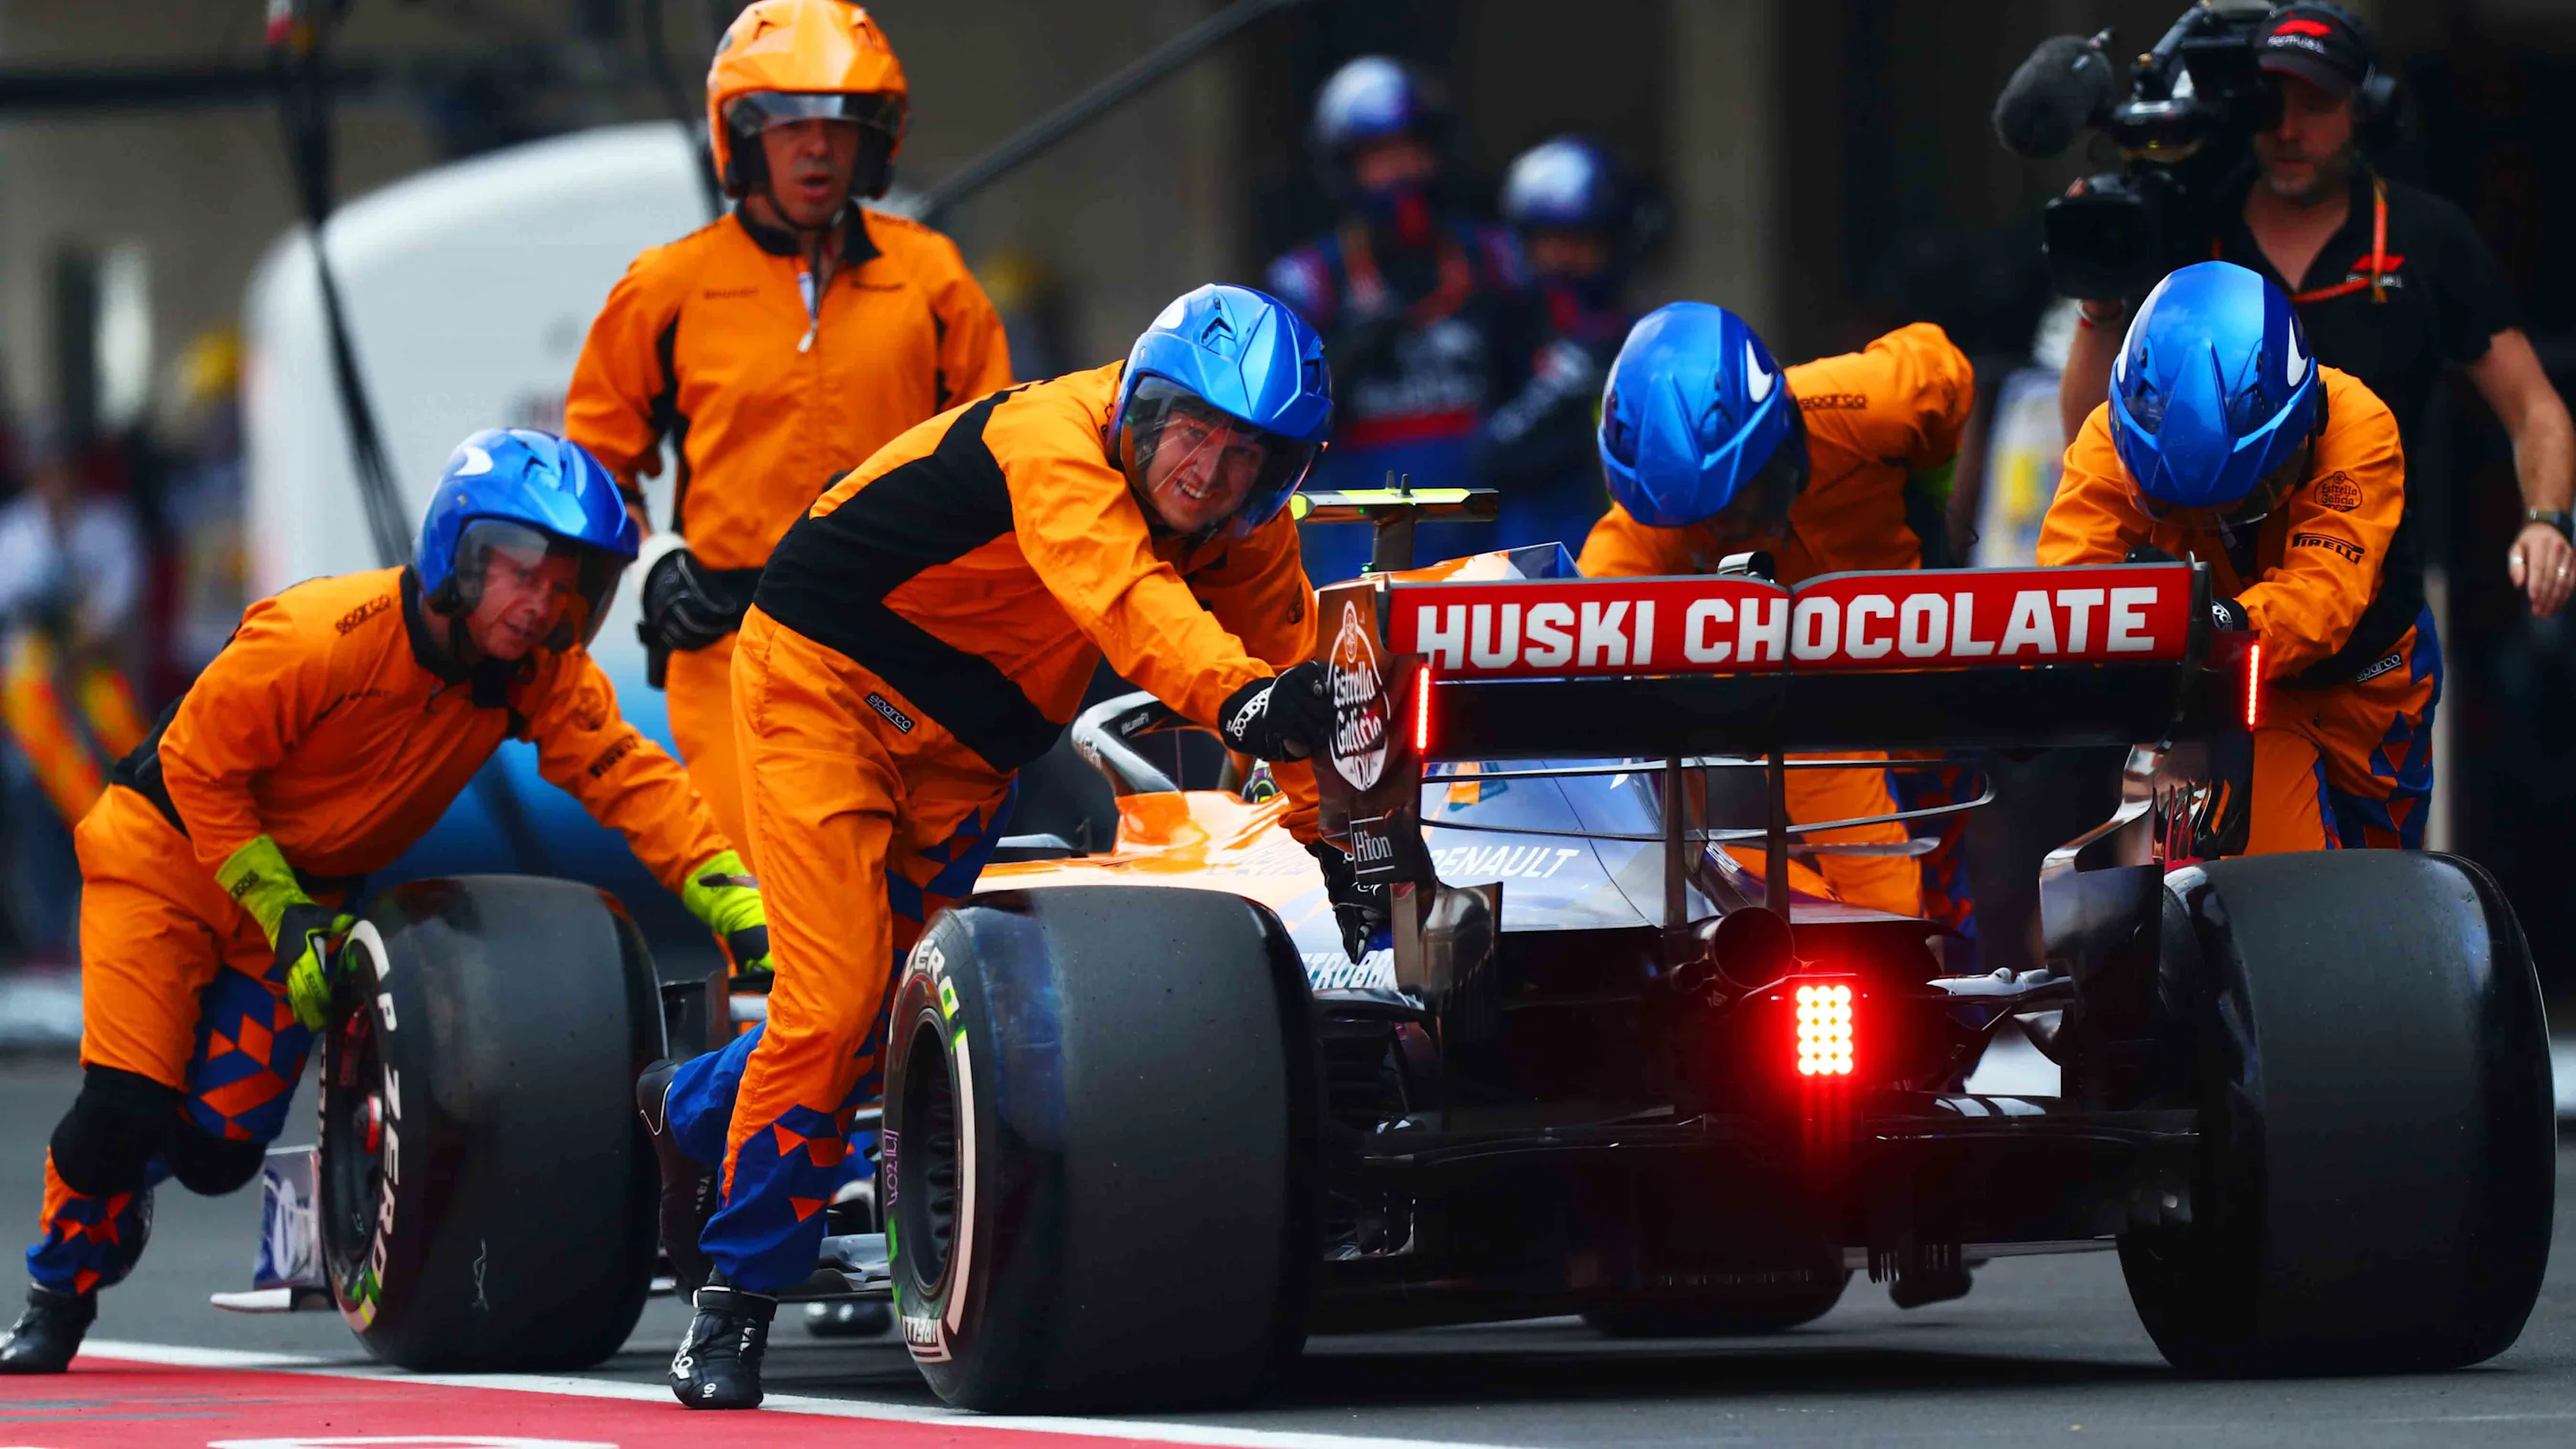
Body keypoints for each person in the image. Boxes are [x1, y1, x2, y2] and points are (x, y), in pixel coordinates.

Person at [641, 284, 1353, 1410]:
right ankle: (735, 1301)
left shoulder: (1248, 538)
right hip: (824, 691)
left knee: (889, 1014)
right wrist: (1237, 700)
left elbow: (1293, 685)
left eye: (1244, 457)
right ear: (1141, 406)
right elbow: (1127, 599)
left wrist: (1334, 846)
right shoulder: (1050, 439)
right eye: (1192, 433)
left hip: (967, 757)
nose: (1207, 475)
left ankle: (690, 1107)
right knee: (833, 1004)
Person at [0, 430, 769, 1375]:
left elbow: (630, 780)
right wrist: (281, 912)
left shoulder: (536, 676)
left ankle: (131, 1169)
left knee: (217, 1153)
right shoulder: (318, 636)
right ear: (458, 553)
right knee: (121, 1108)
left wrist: (731, 897)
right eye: (520, 574)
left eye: (565, 584)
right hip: (164, 860)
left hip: (305, 905)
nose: (540, 603)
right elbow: (195, 768)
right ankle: (58, 1294)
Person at [567, 0, 1011, 865]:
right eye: (789, 124)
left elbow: (1007, 452)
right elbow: (593, 464)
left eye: (840, 125)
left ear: (873, 140)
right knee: (775, 894)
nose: (817, 148)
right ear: (742, 136)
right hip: (730, 648)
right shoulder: (668, 288)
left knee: (910, 899)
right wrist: (653, 566)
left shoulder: (931, 278)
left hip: (906, 648)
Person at [2054, 2, 2574, 620]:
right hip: (2201, 606)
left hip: (2373, 600)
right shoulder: (2189, 228)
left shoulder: (2428, 236)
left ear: (2364, 109)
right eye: (2270, 104)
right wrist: (2100, 297)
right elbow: (2095, 434)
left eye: (2317, 105)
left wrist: (2548, 521)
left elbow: (2534, 408)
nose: (2288, 129)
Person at [1579, 303, 1975, 918]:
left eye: (1733, 502)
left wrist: (1933, 508)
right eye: (1694, 520)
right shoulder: (1638, 538)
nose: (1717, 531)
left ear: (1777, 445)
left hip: (1924, 669)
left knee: (1955, 903)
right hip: (1803, 711)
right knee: (1890, 921)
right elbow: (1573, 644)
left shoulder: (1874, 405)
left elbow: (1951, 374)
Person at [2043, 261, 2432, 853]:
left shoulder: (2356, 422)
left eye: (2242, 497)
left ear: (2301, 426)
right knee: (2259, 885)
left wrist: (2203, 619)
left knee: (2385, 883)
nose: (2212, 519)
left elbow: (2322, 600)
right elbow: (2067, 598)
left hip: (2362, 685)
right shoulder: (2109, 437)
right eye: (2174, 503)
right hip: (2220, 694)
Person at [1266, 55, 1524, 582]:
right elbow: (1278, 439)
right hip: (1355, 543)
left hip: (1490, 540)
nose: (1402, 170)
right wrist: (1343, 360)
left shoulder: (1496, 260)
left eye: (1412, 150)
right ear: (1344, 168)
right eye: (1380, 156)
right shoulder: (1308, 280)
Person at [1473, 134, 1647, 554]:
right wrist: (1556, 391)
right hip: (1523, 549)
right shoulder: (1499, 326)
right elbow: (1481, 454)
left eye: (1583, 242)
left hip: (1623, 545)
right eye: (1551, 242)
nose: (1566, 258)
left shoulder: (1639, 336)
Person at [0, 429, 148, 833]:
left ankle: (146, 820)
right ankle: (97, 826)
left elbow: (117, 610)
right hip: (31, 671)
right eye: (45, 472)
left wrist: (77, 650)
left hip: (92, 659)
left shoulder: (109, 524)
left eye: (62, 470)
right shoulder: (12, 532)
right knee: (34, 717)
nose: (55, 482)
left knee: (121, 724)